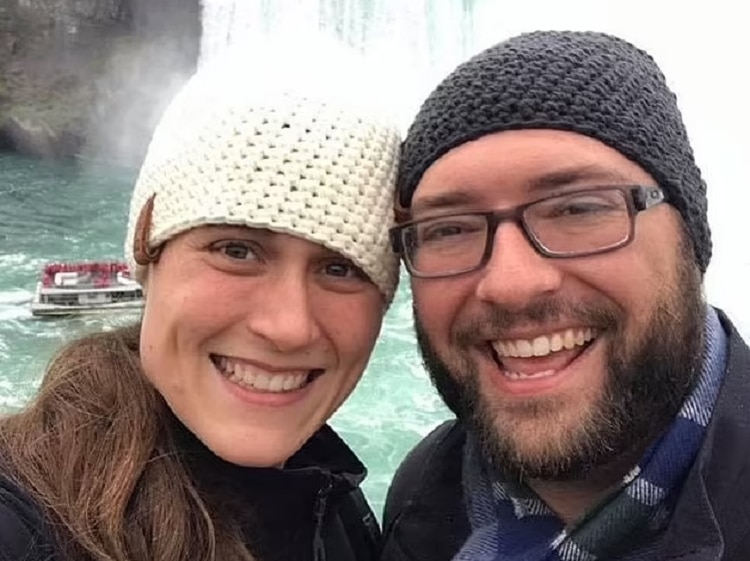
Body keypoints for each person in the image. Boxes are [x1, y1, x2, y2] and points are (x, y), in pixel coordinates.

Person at [0, 48, 401, 561]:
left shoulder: (333, 500)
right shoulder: (23, 521)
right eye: (237, 251)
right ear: (146, 250)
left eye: (340, 268)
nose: (289, 327)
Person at [381, 30, 750, 561]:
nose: (510, 284)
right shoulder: (424, 491)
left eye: (578, 208)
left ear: (689, 239)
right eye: (450, 229)